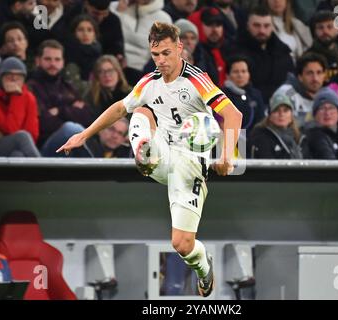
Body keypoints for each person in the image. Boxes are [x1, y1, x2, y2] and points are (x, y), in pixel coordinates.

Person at [58, 21, 242, 297]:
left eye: (166, 53)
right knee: (139, 111)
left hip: (190, 163)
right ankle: (145, 153)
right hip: (163, 153)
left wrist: (226, 156)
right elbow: (120, 108)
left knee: (182, 244)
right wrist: (84, 135)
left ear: (179, 48)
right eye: (156, 54)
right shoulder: (149, 81)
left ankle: (204, 269)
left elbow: (233, 115)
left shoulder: (197, 79)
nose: (161, 60)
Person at [0, 57, 41, 157]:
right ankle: (45, 171)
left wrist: (3, 134)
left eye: (18, 77)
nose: (13, 81)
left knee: (18, 155)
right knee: (22, 137)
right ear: (0, 78)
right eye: (9, 76)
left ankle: (41, 171)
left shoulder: (29, 97)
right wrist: (16, 96)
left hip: (14, 144)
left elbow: (32, 133)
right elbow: (11, 128)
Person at [250, 91, 308, 159]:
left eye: (285, 110)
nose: (281, 114)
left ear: (291, 115)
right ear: (269, 116)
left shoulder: (300, 137)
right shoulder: (260, 136)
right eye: (276, 110)